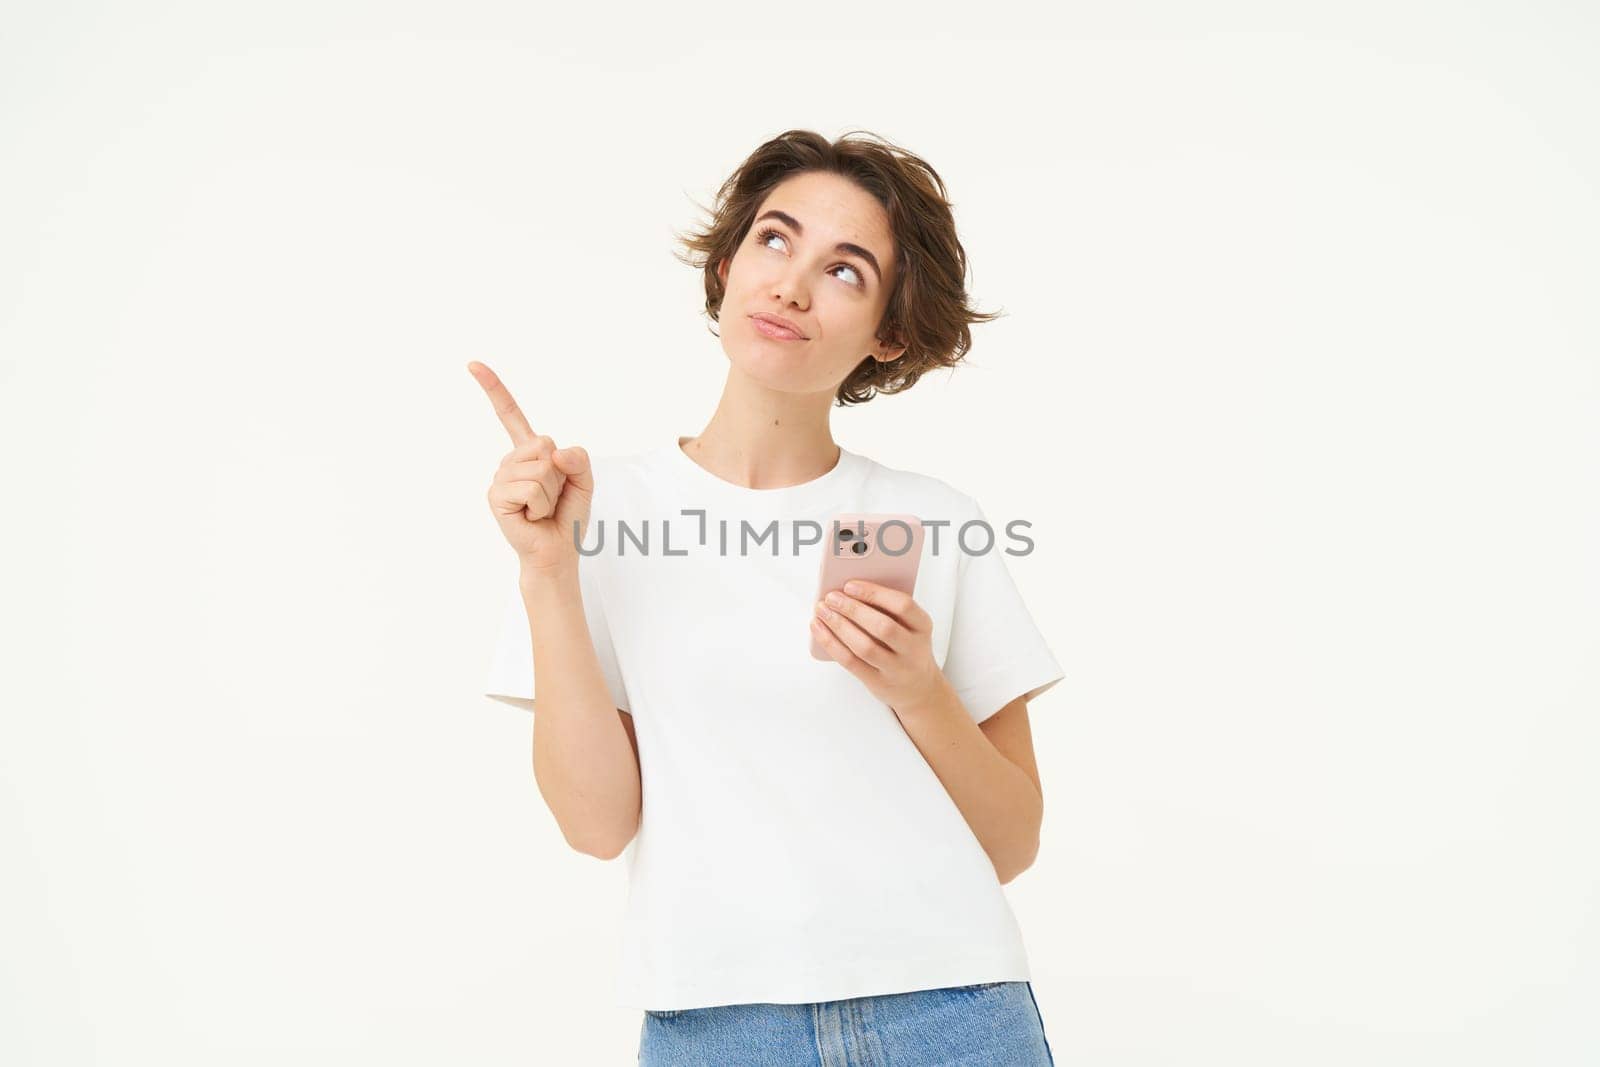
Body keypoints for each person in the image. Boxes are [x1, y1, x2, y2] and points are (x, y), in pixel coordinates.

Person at [471, 129, 1064, 1065]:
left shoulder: (930, 518)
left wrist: (917, 691)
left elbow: (1012, 842)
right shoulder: (592, 508)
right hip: (715, 1024)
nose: (791, 285)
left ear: (890, 334)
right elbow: (596, 825)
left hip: (951, 1013)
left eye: (846, 270)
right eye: (776, 240)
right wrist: (547, 573)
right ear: (726, 264)